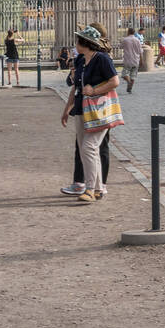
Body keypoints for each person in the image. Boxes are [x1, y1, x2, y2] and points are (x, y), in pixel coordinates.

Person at [62, 24, 122, 202]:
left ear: (85, 43)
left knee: (90, 147)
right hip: (82, 107)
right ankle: (97, 188)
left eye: (77, 41)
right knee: (86, 149)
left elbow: (115, 81)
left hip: (99, 109)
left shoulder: (102, 59)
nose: (75, 44)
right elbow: (76, 86)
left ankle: (90, 188)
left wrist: (94, 91)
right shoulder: (81, 59)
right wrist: (67, 108)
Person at [119, 27, 141, 93]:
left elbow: (120, 47)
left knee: (124, 74)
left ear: (128, 32)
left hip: (128, 60)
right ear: (134, 33)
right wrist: (141, 60)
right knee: (133, 76)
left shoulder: (125, 40)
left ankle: (128, 82)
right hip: (136, 60)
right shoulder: (137, 40)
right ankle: (130, 88)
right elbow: (140, 51)